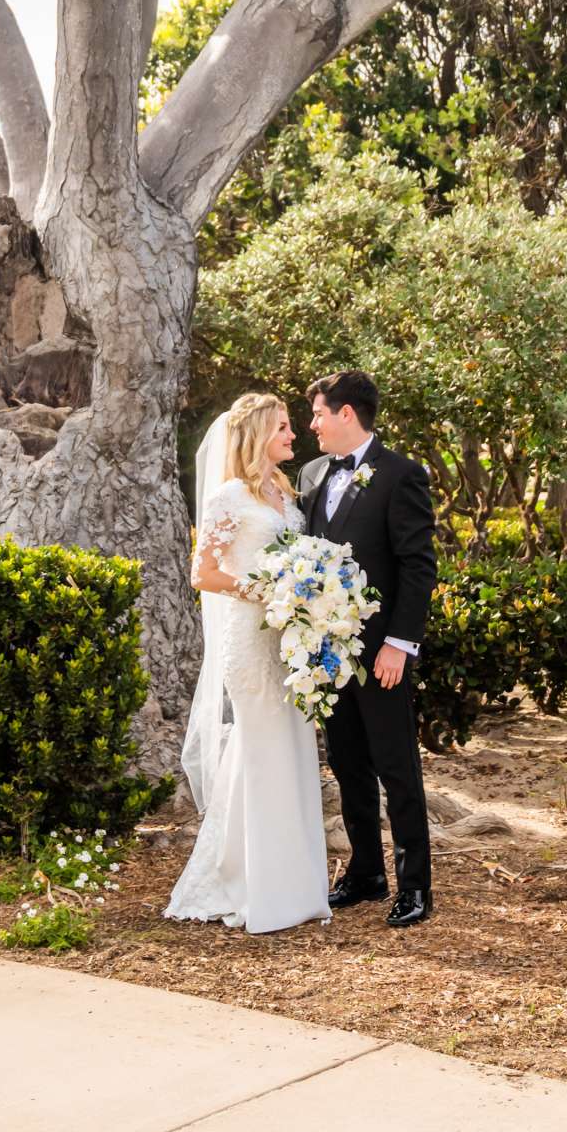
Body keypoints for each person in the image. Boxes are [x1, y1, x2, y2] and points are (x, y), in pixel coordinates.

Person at [165, 391, 331, 933]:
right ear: (259, 434)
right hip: (249, 642)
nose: (293, 435)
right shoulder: (229, 498)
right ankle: (254, 885)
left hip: (288, 645)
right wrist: (265, 590)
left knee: (293, 750)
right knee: (263, 751)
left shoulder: (286, 495)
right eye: (283, 427)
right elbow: (203, 574)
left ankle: (296, 885)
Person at [299, 369, 437, 927]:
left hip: (381, 652)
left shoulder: (400, 474)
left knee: (396, 767)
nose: (312, 425)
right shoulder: (311, 474)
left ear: (346, 414)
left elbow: (417, 565)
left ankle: (415, 888)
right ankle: (366, 873)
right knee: (348, 764)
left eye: (317, 414)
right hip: (326, 654)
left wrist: (400, 644)